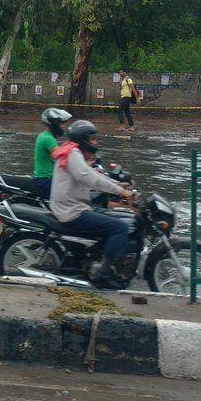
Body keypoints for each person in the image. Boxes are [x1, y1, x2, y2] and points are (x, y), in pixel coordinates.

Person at [50, 120, 135, 289]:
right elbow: (90, 178)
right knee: (119, 228)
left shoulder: (75, 152)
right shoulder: (73, 154)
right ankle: (104, 273)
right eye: (93, 139)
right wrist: (120, 192)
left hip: (73, 206)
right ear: (83, 139)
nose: (96, 142)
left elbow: (94, 174)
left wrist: (119, 185)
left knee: (109, 217)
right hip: (72, 211)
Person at [33, 108, 73, 200]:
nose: (64, 126)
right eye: (62, 123)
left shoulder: (45, 135)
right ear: (55, 124)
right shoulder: (48, 139)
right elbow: (61, 158)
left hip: (43, 178)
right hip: (46, 179)